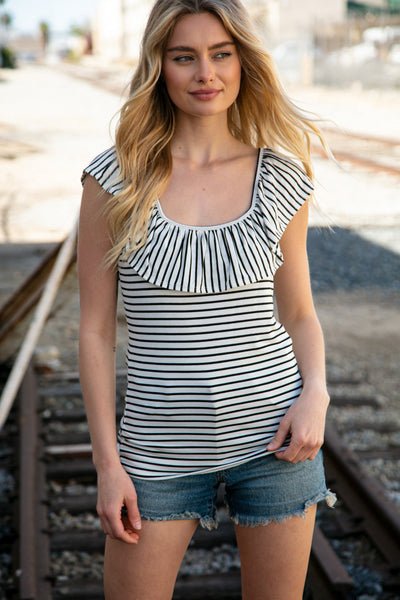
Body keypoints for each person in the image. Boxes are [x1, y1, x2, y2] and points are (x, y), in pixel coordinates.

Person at [78, 1, 336, 598]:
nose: (206, 74)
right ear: (158, 67)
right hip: (155, 454)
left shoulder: (281, 176)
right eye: (184, 57)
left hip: (276, 445)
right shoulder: (113, 181)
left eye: (221, 54)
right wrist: (107, 464)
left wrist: (316, 395)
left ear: (243, 61)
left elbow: (298, 312)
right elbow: (94, 331)